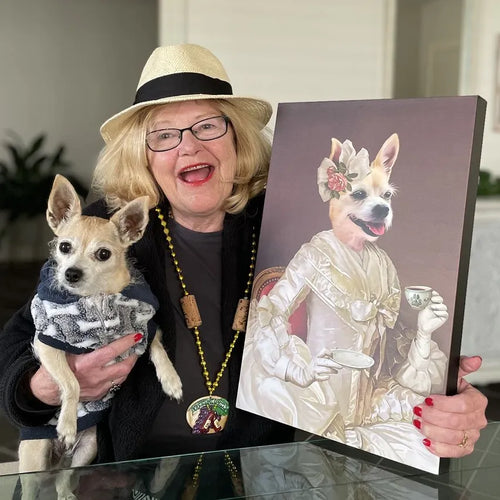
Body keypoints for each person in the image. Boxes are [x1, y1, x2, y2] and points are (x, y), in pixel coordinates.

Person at [0, 44, 487, 467]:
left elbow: (390, 342)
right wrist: (41, 387)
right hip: (128, 475)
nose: (188, 145)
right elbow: (22, 338)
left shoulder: (288, 225)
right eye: (164, 134)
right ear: (144, 155)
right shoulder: (104, 233)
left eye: (208, 126)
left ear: (237, 139)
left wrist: (440, 395)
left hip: (265, 471)